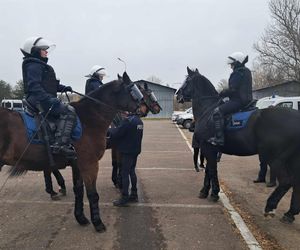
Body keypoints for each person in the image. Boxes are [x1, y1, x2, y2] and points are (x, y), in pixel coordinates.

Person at [21, 36, 76, 158]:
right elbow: (34, 86)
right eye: (43, 49)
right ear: (34, 51)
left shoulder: (39, 65)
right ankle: (60, 145)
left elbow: (49, 85)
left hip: (42, 98)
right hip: (39, 100)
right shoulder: (33, 65)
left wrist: (63, 88)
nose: (46, 52)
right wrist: (47, 99)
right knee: (69, 111)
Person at [108, 103, 149, 207]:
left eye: (126, 111)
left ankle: (125, 197)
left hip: (126, 151)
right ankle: (134, 194)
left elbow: (117, 133)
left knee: (124, 173)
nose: (124, 113)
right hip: (135, 151)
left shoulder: (128, 121)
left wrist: (108, 130)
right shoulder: (139, 121)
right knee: (132, 171)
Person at [208, 52, 253, 146]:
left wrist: (222, 93)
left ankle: (219, 138)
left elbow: (233, 89)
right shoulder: (246, 71)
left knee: (217, 112)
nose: (231, 66)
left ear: (237, 62)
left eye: (232, 64)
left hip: (238, 101)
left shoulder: (238, 72)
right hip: (247, 99)